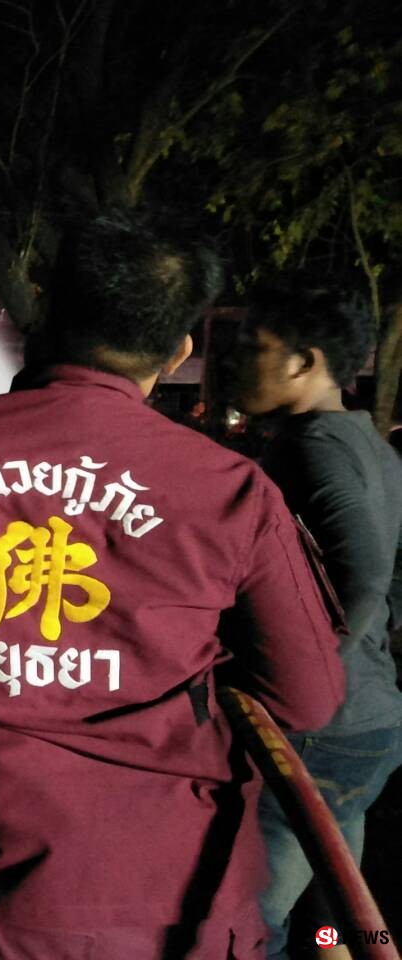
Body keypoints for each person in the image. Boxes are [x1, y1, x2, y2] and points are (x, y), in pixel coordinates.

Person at [0, 213, 346, 959]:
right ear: (179, 349)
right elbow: (308, 696)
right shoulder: (231, 490)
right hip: (178, 906)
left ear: (43, 309)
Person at [231, 283, 402, 958]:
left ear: (304, 362)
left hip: (321, 734)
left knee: (254, 913)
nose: (235, 360)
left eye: (255, 348)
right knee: (335, 904)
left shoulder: (314, 446)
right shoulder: (373, 447)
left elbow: (363, 568)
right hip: (372, 724)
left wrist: (311, 674)